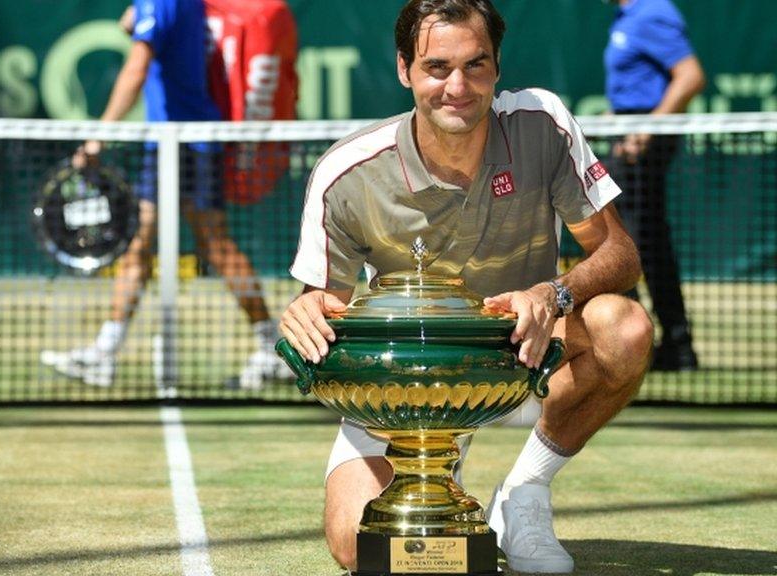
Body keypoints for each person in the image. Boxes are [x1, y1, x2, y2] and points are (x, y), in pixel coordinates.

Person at [279, 0, 654, 573]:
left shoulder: (542, 124)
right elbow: (320, 302)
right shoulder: (346, 174)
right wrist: (304, 312)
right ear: (404, 69)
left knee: (623, 327)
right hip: (407, 383)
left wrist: (550, 295)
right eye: (437, 67)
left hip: (524, 351)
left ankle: (524, 493)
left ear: (497, 67)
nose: (458, 86)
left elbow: (619, 254)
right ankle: (431, 473)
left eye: (476, 65)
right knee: (361, 547)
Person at [40, 0, 293, 389]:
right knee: (141, 244)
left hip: (183, 142)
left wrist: (99, 137)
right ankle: (105, 353)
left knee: (212, 245)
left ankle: (273, 349)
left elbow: (137, 68)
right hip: (174, 140)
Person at [604, 0, 706, 371]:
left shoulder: (653, 12)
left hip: (646, 140)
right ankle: (673, 345)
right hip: (629, 131)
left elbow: (690, 75)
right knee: (645, 240)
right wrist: (613, 120)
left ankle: (641, 343)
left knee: (623, 241)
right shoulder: (628, 16)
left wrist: (646, 129)